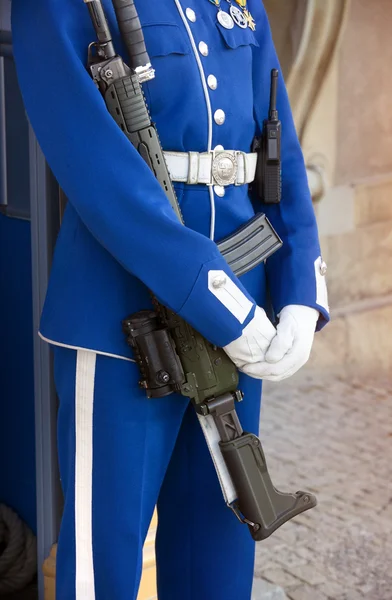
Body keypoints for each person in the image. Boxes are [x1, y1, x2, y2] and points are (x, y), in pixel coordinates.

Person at [12, 0, 329, 598]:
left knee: (218, 547)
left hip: (242, 312)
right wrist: (218, 303)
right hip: (120, 322)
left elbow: (275, 146)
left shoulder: (237, 5)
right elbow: (99, 175)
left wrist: (299, 290)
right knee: (104, 563)